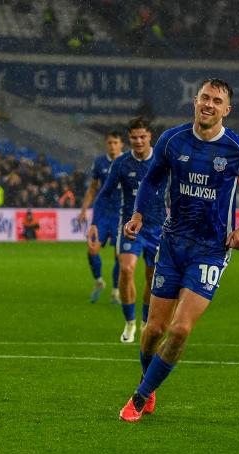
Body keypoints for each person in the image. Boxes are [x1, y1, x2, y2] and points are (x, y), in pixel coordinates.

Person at [118, 78, 239, 422]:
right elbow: (153, 179)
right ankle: (149, 384)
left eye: (216, 100)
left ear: (226, 110)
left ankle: (139, 398)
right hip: (171, 244)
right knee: (153, 330)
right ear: (195, 101)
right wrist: (139, 212)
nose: (208, 104)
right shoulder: (173, 139)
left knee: (181, 329)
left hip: (211, 249)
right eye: (204, 98)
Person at [95, 118, 165, 342]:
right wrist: (95, 223)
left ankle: (145, 321)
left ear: (149, 137)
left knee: (151, 277)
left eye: (142, 137)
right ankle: (129, 323)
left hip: (158, 228)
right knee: (126, 269)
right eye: (134, 137)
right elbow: (104, 194)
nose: (138, 141)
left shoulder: (163, 161)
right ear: (129, 139)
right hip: (129, 227)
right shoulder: (121, 163)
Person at [78, 132, 124, 304]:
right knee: (92, 249)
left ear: (121, 144)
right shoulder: (100, 162)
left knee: (120, 256)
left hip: (121, 215)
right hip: (103, 214)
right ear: (106, 144)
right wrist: (84, 210)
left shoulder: (128, 161)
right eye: (110, 142)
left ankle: (116, 291)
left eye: (115, 142)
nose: (112, 146)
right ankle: (99, 282)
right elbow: (92, 189)